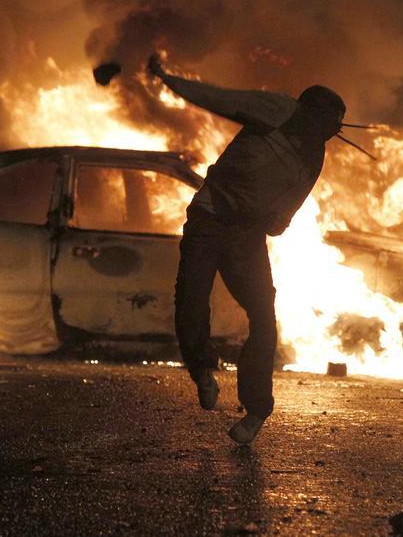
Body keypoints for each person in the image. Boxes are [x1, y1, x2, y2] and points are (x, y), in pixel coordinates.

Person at [146, 54, 346, 445]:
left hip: (247, 236)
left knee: (263, 316)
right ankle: (203, 372)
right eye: (326, 123)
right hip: (210, 217)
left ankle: (256, 411)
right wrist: (167, 78)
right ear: (310, 113)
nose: (328, 132)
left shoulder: (314, 153)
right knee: (191, 296)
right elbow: (217, 98)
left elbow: (293, 201)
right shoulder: (277, 109)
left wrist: (277, 219)